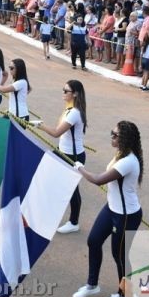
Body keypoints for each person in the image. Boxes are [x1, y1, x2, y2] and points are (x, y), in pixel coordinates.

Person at [72, 121, 144, 297]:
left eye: (115, 134)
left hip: (126, 216)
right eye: (111, 132)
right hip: (112, 208)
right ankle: (92, 284)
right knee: (93, 241)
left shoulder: (128, 161)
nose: (111, 136)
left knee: (119, 255)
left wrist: (79, 167)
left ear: (125, 139)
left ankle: (124, 295)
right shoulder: (121, 154)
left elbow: (97, 180)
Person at [32, 80, 87, 234]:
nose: (63, 93)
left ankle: (74, 222)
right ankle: (45, 213)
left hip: (73, 156)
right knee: (45, 176)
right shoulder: (69, 109)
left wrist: (40, 125)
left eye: (66, 91)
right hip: (62, 151)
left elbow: (57, 133)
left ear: (75, 94)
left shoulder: (75, 112)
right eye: (63, 90)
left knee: (71, 189)